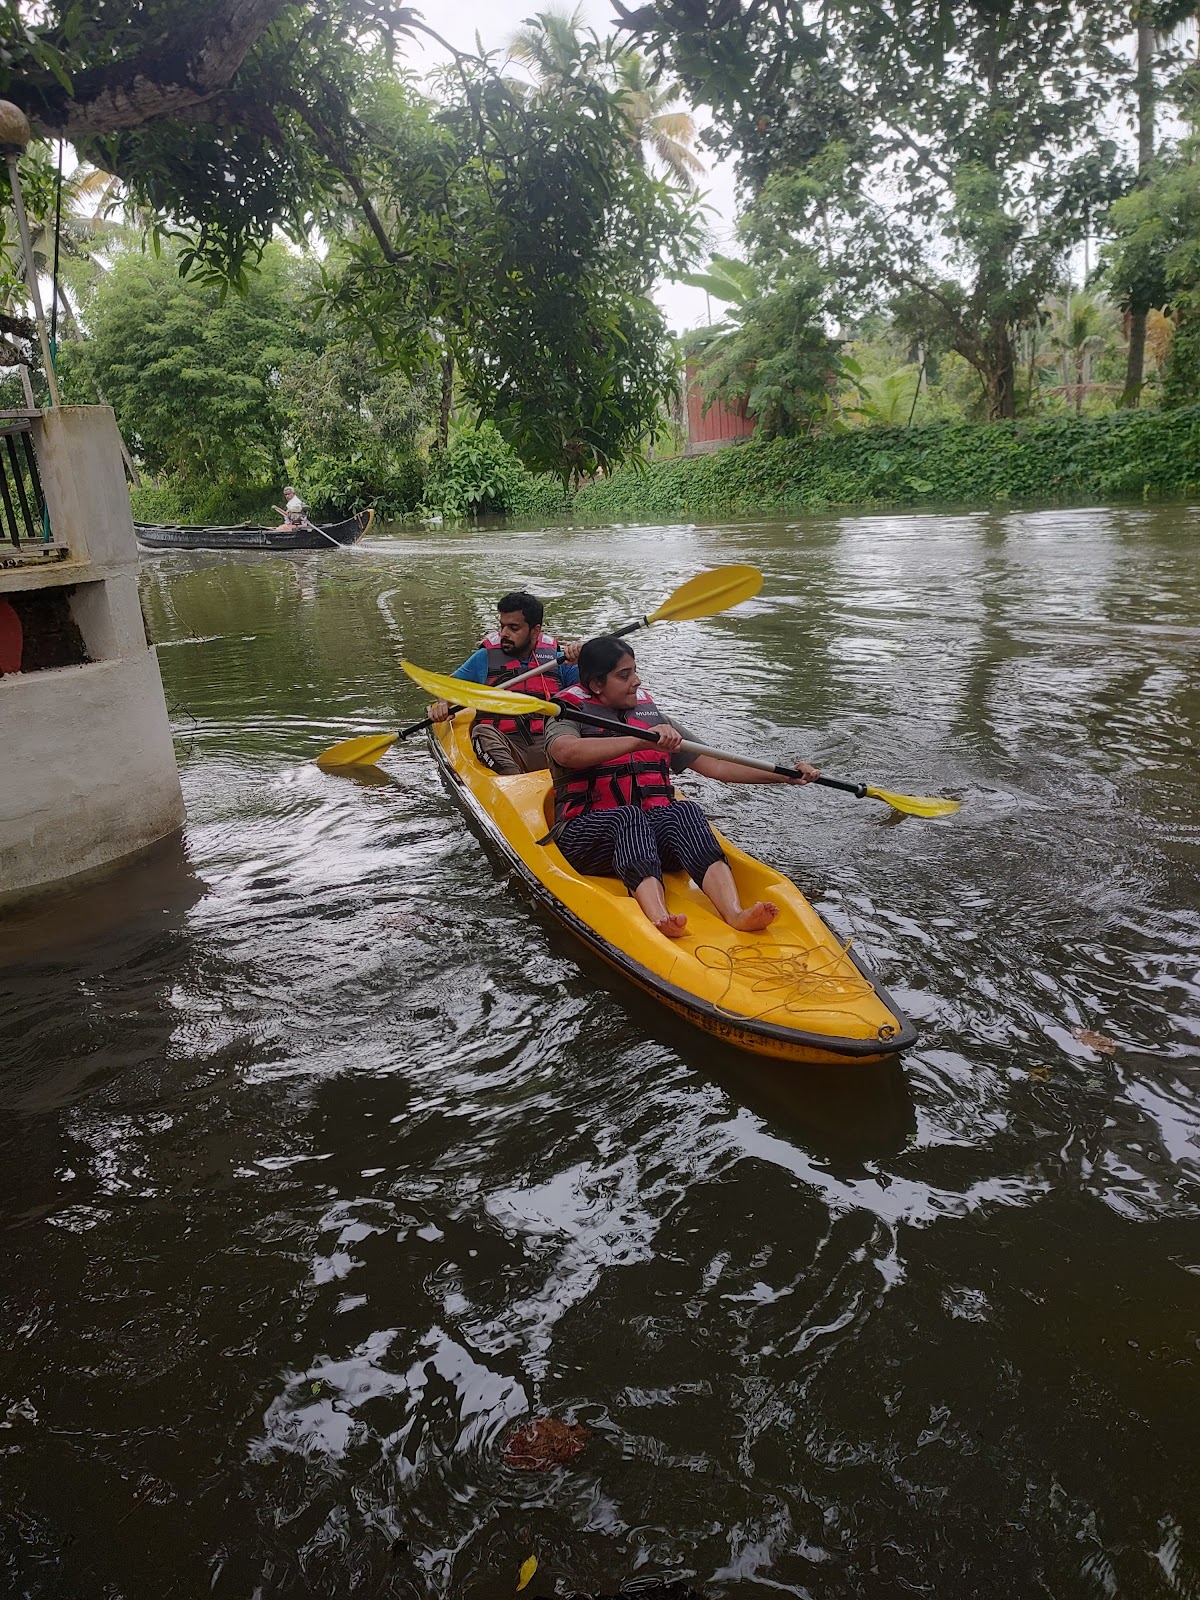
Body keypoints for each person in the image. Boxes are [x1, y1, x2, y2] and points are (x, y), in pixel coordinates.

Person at [544, 635, 819, 939]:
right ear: (597, 684)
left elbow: (718, 766)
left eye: (635, 670)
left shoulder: (651, 716)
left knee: (684, 810)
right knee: (628, 817)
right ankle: (659, 916)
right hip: (585, 839)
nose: (636, 681)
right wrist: (640, 738)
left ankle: (735, 913)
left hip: (646, 839)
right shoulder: (567, 712)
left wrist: (785, 775)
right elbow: (565, 752)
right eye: (624, 675)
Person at [428, 591, 581, 775]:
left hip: (551, 744)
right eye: (502, 626)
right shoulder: (484, 658)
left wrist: (586, 657)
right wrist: (443, 704)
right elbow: (446, 687)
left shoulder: (560, 661)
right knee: (482, 732)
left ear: (535, 631)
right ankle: (513, 783)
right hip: (505, 745)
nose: (504, 634)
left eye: (513, 628)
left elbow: (594, 693)